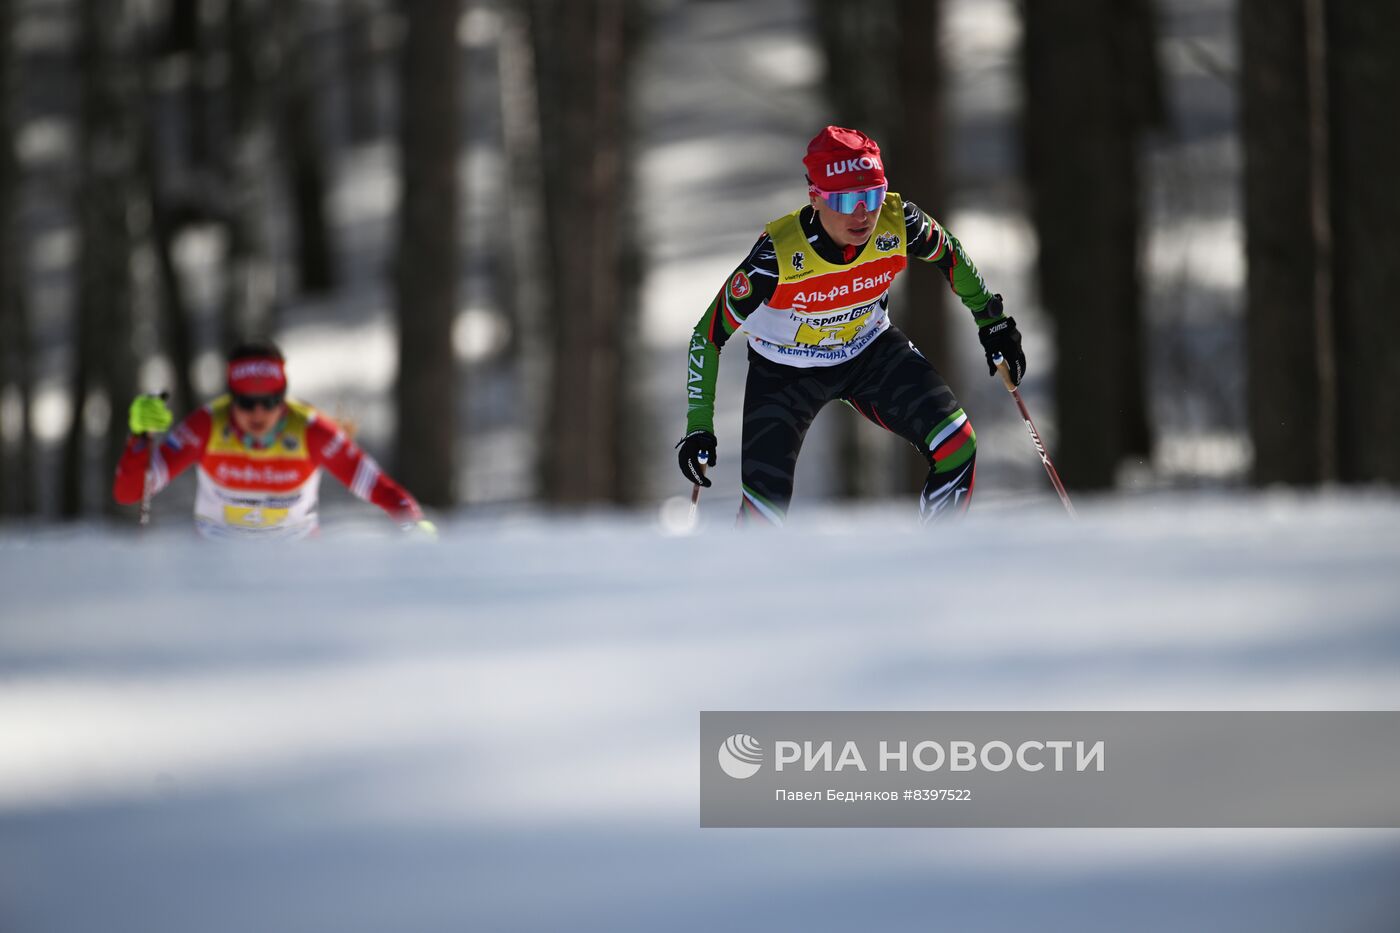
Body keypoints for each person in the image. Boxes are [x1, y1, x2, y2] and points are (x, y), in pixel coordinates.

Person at [675, 125, 1026, 525]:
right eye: (845, 200)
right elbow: (708, 335)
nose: (862, 213)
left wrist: (991, 321)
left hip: (868, 351)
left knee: (957, 445)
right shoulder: (777, 256)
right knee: (763, 516)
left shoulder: (898, 222)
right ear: (815, 197)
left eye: (872, 195)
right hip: (785, 371)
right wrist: (699, 424)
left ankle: (934, 560)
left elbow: (949, 254)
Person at [113, 339, 433, 539]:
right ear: (231, 399)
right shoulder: (207, 426)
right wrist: (140, 439)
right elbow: (131, 494)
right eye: (246, 402)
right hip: (217, 570)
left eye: (269, 402)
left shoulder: (311, 430)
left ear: (283, 397)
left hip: (295, 571)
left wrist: (413, 525)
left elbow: (378, 487)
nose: (258, 412)